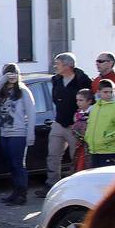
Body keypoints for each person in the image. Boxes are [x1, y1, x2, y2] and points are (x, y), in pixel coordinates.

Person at [36, 52, 92, 196]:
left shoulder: (82, 80)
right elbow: (56, 99)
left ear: (68, 65)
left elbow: (90, 100)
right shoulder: (56, 80)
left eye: (58, 64)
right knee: (53, 155)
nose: (55, 66)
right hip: (59, 122)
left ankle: (76, 186)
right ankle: (51, 185)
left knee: (76, 156)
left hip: (75, 125)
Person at [0, 63, 35, 205]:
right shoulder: (1, 92)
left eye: (14, 73)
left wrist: (30, 134)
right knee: (10, 165)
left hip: (18, 134)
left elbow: (31, 114)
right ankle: (15, 192)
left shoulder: (23, 91)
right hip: (5, 133)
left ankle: (22, 194)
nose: (12, 76)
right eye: (9, 73)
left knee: (18, 164)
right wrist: (3, 80)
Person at [84, 79, 115, 168]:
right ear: (99, 92)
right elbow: (90, 124)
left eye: (111, 92)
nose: (109, 94)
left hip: (109, 151)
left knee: (108, 180)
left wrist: (107, 138)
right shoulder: (95, 107)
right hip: (94, 151)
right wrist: (87, 138)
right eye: (105, 92)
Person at [72, 89, 93, 171]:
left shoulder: (93, 112)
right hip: (81, 146)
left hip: (90, 146)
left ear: (89, 101)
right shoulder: (78, 113)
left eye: (81, 100)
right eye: (77, 100)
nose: (78, 102)